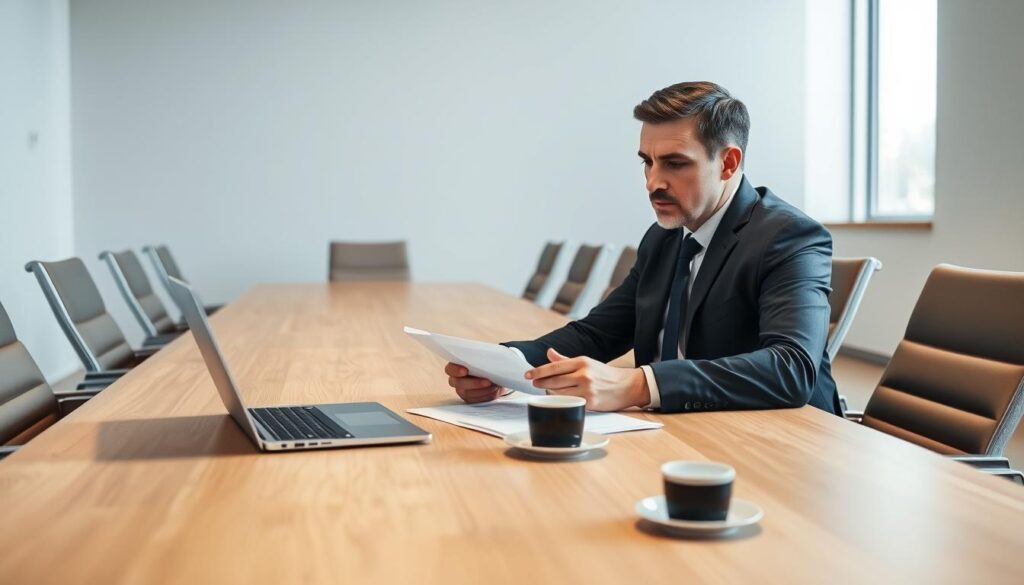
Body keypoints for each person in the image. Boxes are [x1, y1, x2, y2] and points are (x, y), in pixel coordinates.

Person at [445, 81, 840, 415]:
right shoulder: (666, 238)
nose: (653, 182)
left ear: (728, 163)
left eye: (674, 163)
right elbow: (598, 334)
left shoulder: (790, 237)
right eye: (647, 163)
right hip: (690, 429)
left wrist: (638, 385)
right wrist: (502, 366)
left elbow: (792, 368)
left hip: (788, 442)